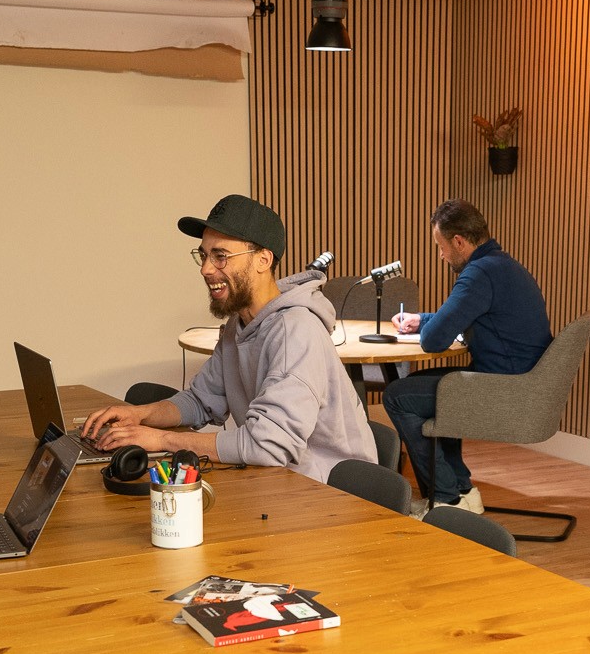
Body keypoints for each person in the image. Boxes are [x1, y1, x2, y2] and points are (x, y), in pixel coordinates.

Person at [83, 194, 375, 481]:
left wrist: (161, 440)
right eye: (204, 255)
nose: (206, 269)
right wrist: (139, 415)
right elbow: (200, 400)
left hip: (332, 494)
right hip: (279, 480)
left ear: (263, 260)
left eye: (220, 256)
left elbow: (267, 445)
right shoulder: (239, 324)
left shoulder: (296, 332)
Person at [386, 200, 552, 513]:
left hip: (505, 391)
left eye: (441, 246)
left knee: (398, 396)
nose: (441, 255)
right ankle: (461, 491)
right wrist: (422, 319)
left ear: (459, 242)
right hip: (525, 385)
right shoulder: (502, 266)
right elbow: (460, 317)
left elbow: (434, 341)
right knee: (444, 388)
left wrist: (428, 326)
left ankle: (447, 499)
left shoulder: (479, 274)